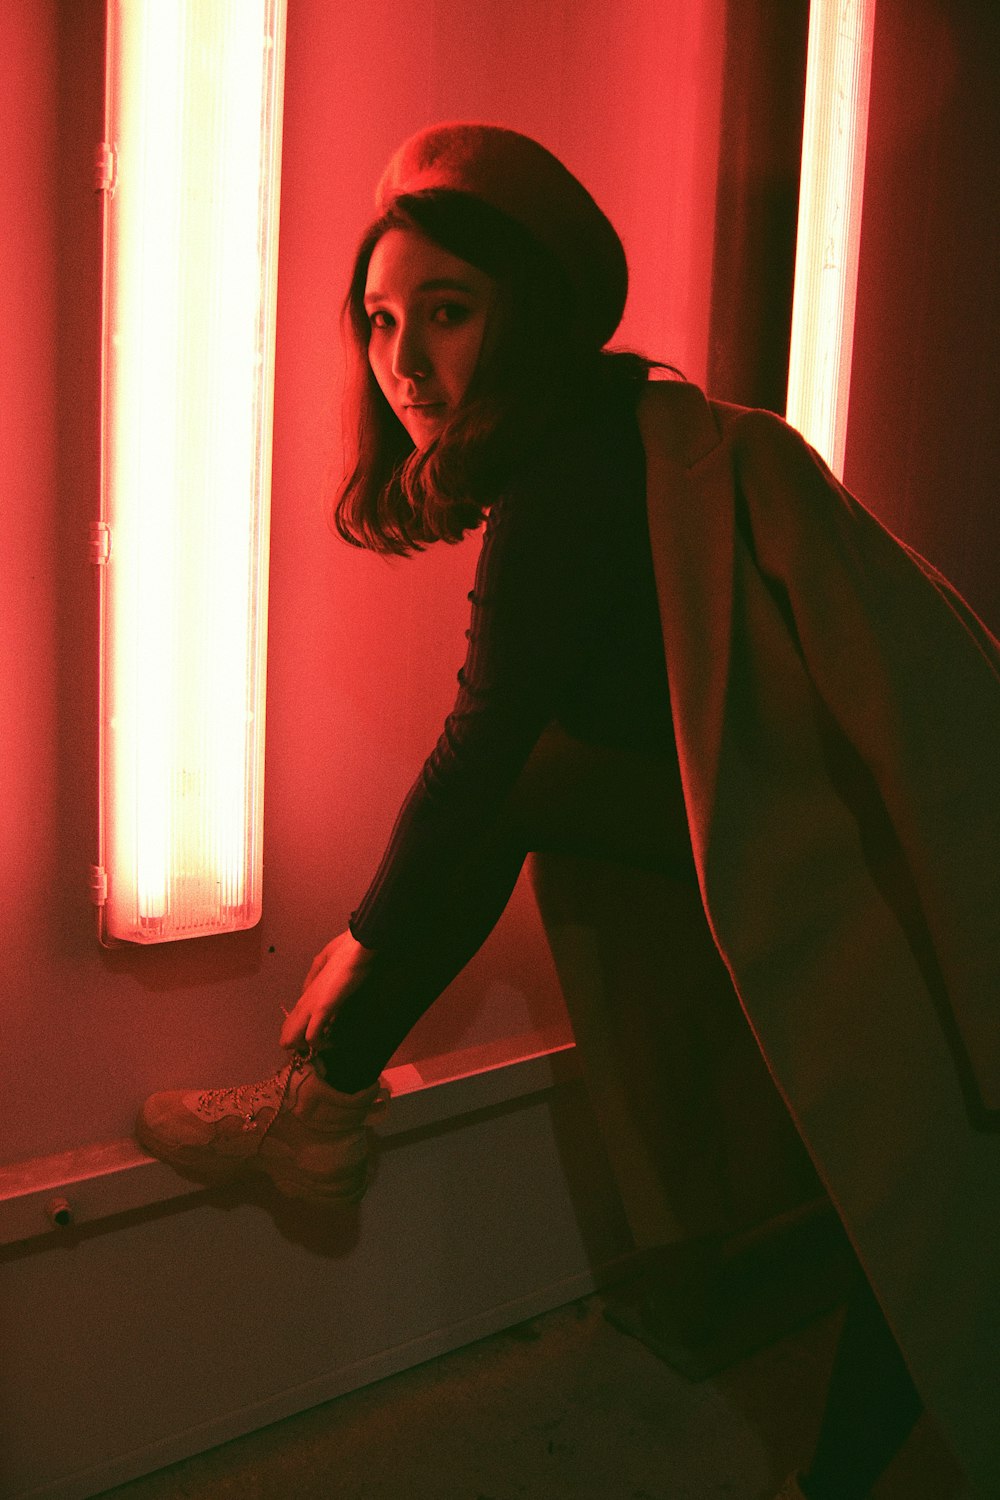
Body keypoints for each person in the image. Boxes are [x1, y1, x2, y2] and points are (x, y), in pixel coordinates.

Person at [136, 124, 1000, 1499]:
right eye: (379, 319)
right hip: (792, 815)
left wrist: (364, 936)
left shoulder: (579, 468)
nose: (403, 359)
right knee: (933, 1210)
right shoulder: (608, 430)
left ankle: (325, 1098)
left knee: (937, 1209)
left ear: (527, 313)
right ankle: (326, 1104)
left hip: (870, 845)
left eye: (448, 312)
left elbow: (484, 745)